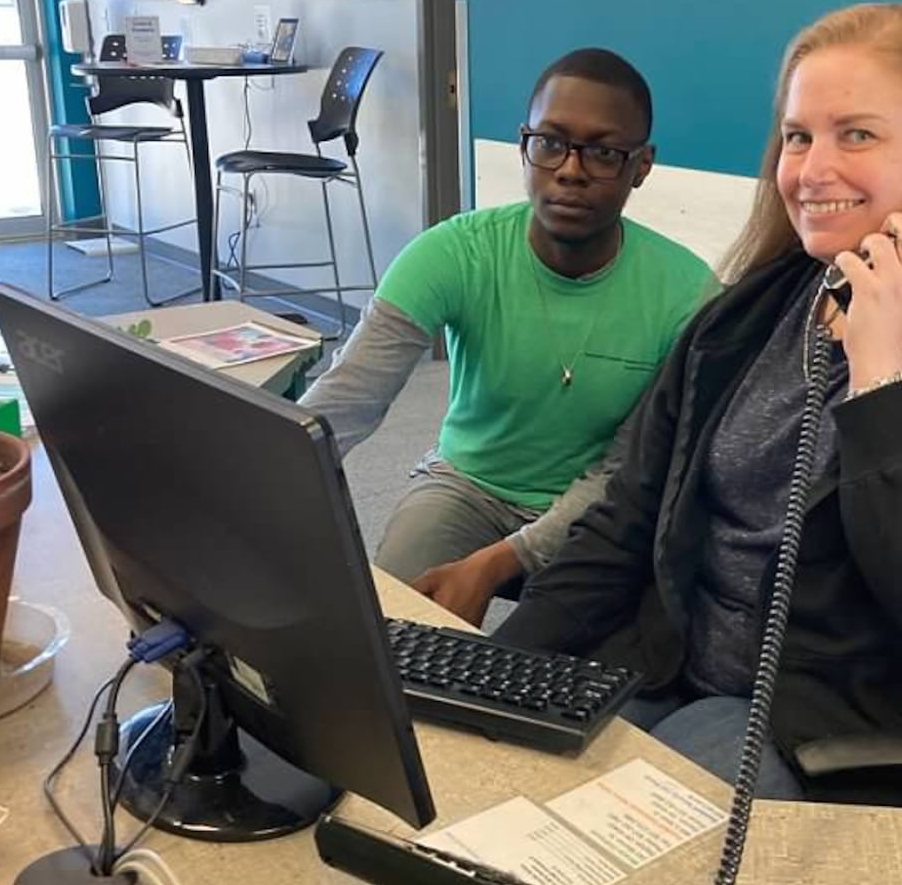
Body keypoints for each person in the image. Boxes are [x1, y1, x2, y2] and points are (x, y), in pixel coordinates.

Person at [494, 4, 902, 798]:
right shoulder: (754, 313)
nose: (810, 170)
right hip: (668, 655)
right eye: (798, 136)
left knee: (596, 853)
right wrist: (493, 669)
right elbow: (629, 519)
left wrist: (879, 375)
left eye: (856, 134)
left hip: (822, 721)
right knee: (487, 788)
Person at [300, 48, 716, 626]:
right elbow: (345, 403)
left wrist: (500, 562)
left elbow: (625, 473)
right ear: (525, 145)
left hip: (604, 512)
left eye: (602, 152)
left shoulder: (689, 295)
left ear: (641, 166)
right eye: (550, 142)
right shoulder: (453, 252)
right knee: (387, 634)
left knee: (569, 673)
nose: (570, 169)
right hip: (466, 484)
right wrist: (255, 495)